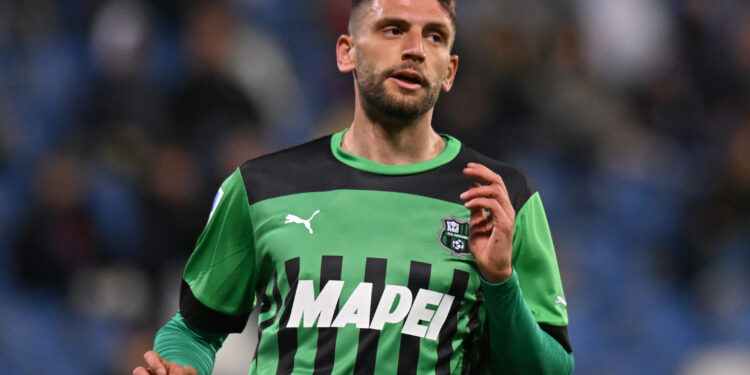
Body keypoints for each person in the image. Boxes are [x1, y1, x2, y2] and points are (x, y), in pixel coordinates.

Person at [134, 0, 574, 373]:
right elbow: (193, 329)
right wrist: (178, 364)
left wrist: (500, 283)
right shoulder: (261, 188)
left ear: (450, 71)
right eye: (393, 29)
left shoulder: (501, 196)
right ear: (347, 53)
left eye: (435, 37)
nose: (416, 50)